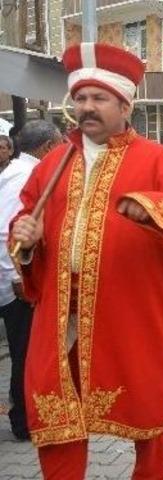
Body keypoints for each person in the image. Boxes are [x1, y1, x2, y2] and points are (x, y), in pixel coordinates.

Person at [10, 42, 163, 479]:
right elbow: (27, 222)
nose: (87, 107)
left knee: (148, 418)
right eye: (80, 98)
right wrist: (25, 239)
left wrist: (152, 208)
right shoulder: (53, 164)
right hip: (63, 317)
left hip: (132, 315)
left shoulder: (160, 161)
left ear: (125, 104)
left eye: (99, 98)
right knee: (57, 419)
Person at [0, 120, 62, 440]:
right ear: (49, 148)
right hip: (15, 283)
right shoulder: (28, 175)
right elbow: (10, 232)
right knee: (24, 352)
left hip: (13, 278)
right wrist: (17, 276)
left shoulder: (19, 172)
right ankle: (24, 420)